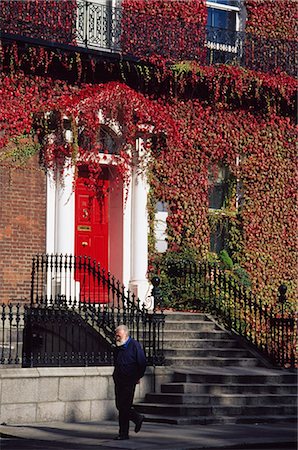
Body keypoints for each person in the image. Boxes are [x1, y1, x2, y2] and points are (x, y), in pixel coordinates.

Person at [112, 324, 146, 440]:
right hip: (119, 380)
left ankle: (123, 433)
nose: (116, 337)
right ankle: (137, 417)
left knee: (124, 407)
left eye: (118, 335)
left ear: (125, 334)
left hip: (129, 380)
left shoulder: (134, 345)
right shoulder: (118, 347)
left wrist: (137, 376)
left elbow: (142, 362)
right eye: (116, 335)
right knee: (120, 406)